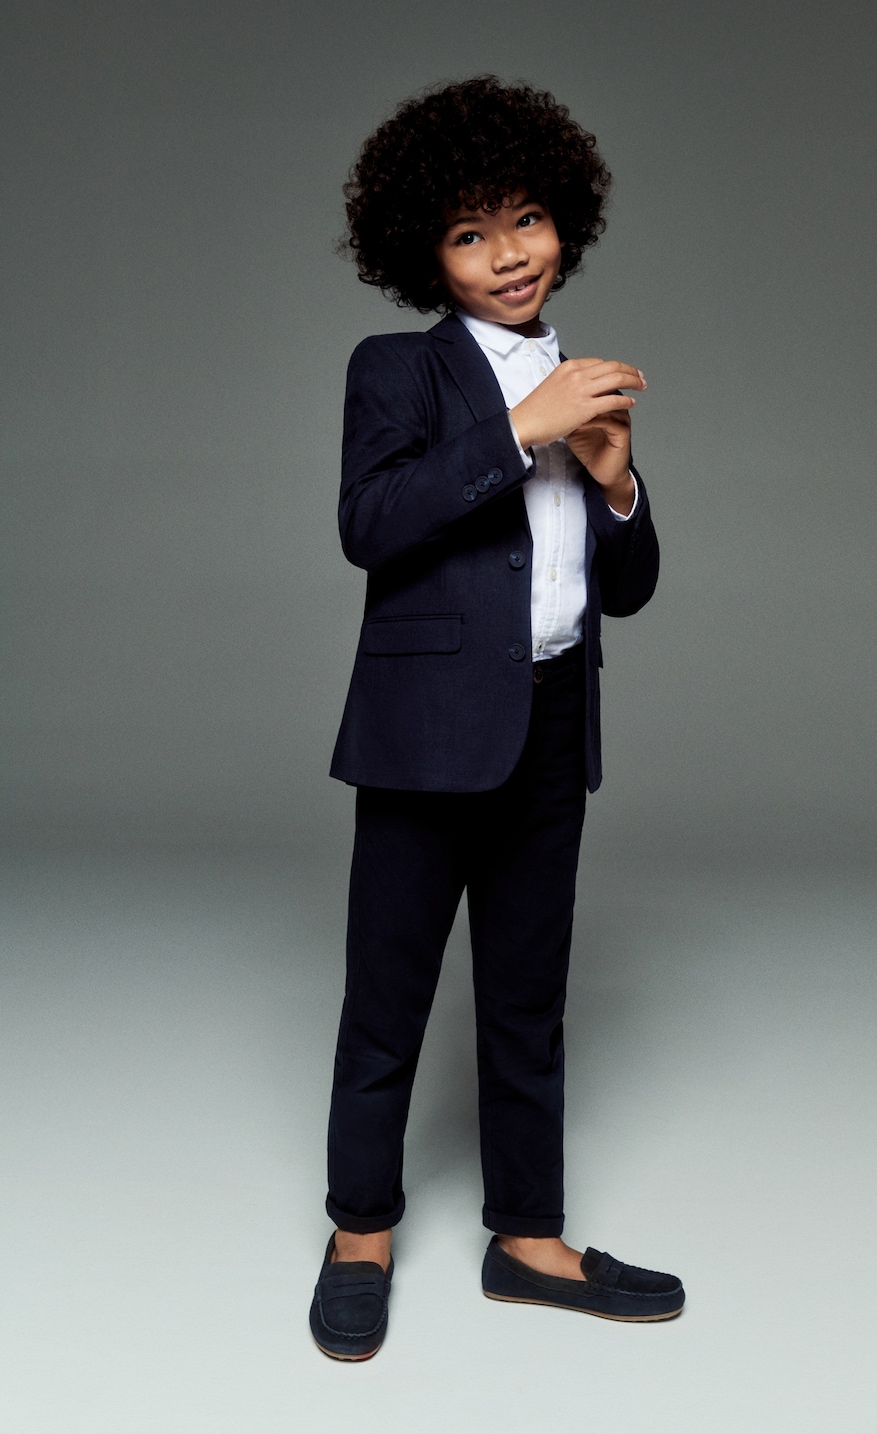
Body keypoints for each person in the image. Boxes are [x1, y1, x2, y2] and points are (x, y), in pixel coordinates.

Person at [309, 75, 683, 1361]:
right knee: (387, 998)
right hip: (423, 736)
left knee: (528, 1000)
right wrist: (523, 429)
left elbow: (626, 588)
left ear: (564, 222)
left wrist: (617, 482)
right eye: (471, 234)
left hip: (550, 727)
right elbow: (370, 524)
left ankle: (527, 1237)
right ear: (426, 254)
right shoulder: (396, 369)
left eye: (525, 219)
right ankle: (360, 1230)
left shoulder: (583, 384)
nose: (508, 253)